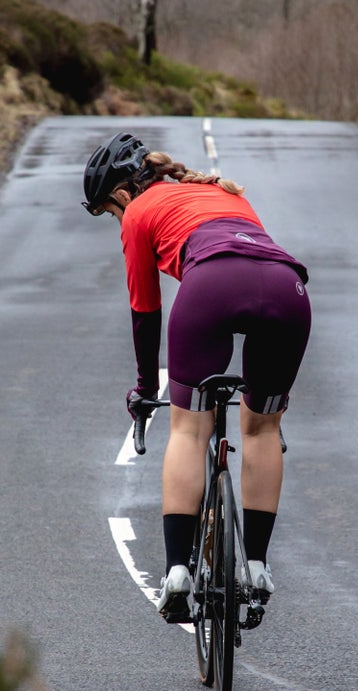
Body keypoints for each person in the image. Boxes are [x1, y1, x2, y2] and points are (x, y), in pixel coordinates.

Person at [82, 131, 311, 623]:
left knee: (189, 428)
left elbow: (145, 311)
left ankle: (177, 573)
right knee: (263, 427)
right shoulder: (227, 193)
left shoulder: (140, 214)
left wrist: (146, 391)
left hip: (210, 284)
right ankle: (256, 567)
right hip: (288, 287)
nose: (116, 220)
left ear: (123, 194)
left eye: (110, 211)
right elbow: (252, 257)